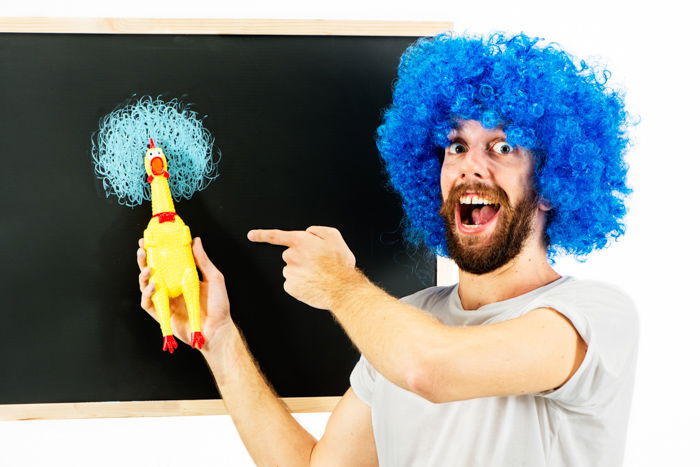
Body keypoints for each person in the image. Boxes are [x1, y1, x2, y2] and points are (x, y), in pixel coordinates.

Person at [137, 32, 638, 466]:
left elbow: (429, 369)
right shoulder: (404, 322)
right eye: (457, 146)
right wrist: (219, 338)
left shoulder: (592, 317)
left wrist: (339, 284)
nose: (470, 167)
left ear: (552, 184)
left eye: (503, 147)